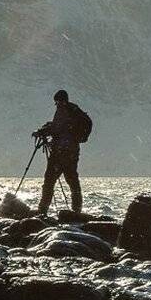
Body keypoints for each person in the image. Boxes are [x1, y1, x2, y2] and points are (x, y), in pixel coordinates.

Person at [33, 89, 90, 217]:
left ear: (59, 100)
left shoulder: (63, 110)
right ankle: (77, 210)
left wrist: (42, 131)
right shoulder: (74, 111)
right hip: (72, 152)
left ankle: (42, 210)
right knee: (72, 180)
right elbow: (61, 126)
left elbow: (57, 128)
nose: (56, 104)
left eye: (56, 102)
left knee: (49, 180)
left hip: (60, 152)